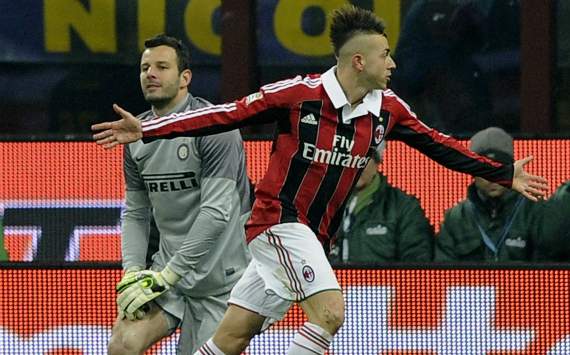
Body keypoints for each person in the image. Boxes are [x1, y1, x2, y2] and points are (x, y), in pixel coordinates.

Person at [92, 6, 547, 355]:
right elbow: (225, 114)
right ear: (358, 61)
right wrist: (148, 128)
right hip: (276, 223)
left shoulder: (388, 109)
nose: (392, 64)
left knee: (231, 337)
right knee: (330, 314)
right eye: (385, 55)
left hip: (313, 235)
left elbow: (441, 145)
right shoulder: (297, 95)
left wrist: (503, 174)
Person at [107, 34, 251, 355]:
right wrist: (132, 272)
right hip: (167, 274)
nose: (151, 74)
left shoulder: (216, 128)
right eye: (145, 67)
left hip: (222, 281)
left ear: (185, 78)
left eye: (162, 66)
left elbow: (216, 214)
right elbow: (136, 212)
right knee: (122, 345)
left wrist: (169, 276)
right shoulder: (136, 134)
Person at [434, 127, 549, 262]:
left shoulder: (536, 212)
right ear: (472, 172)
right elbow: (443, 272)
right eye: (485, 170)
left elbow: (547, 269)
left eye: (499, 169)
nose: (492, 178)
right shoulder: (456, 218)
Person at [330, 141, 434, 264]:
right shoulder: (322, 205)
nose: (356, 165)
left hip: (383, 283)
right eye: (349, 158)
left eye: (363, 157)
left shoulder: (404, 207)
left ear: (377, 162)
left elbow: (417, 265)